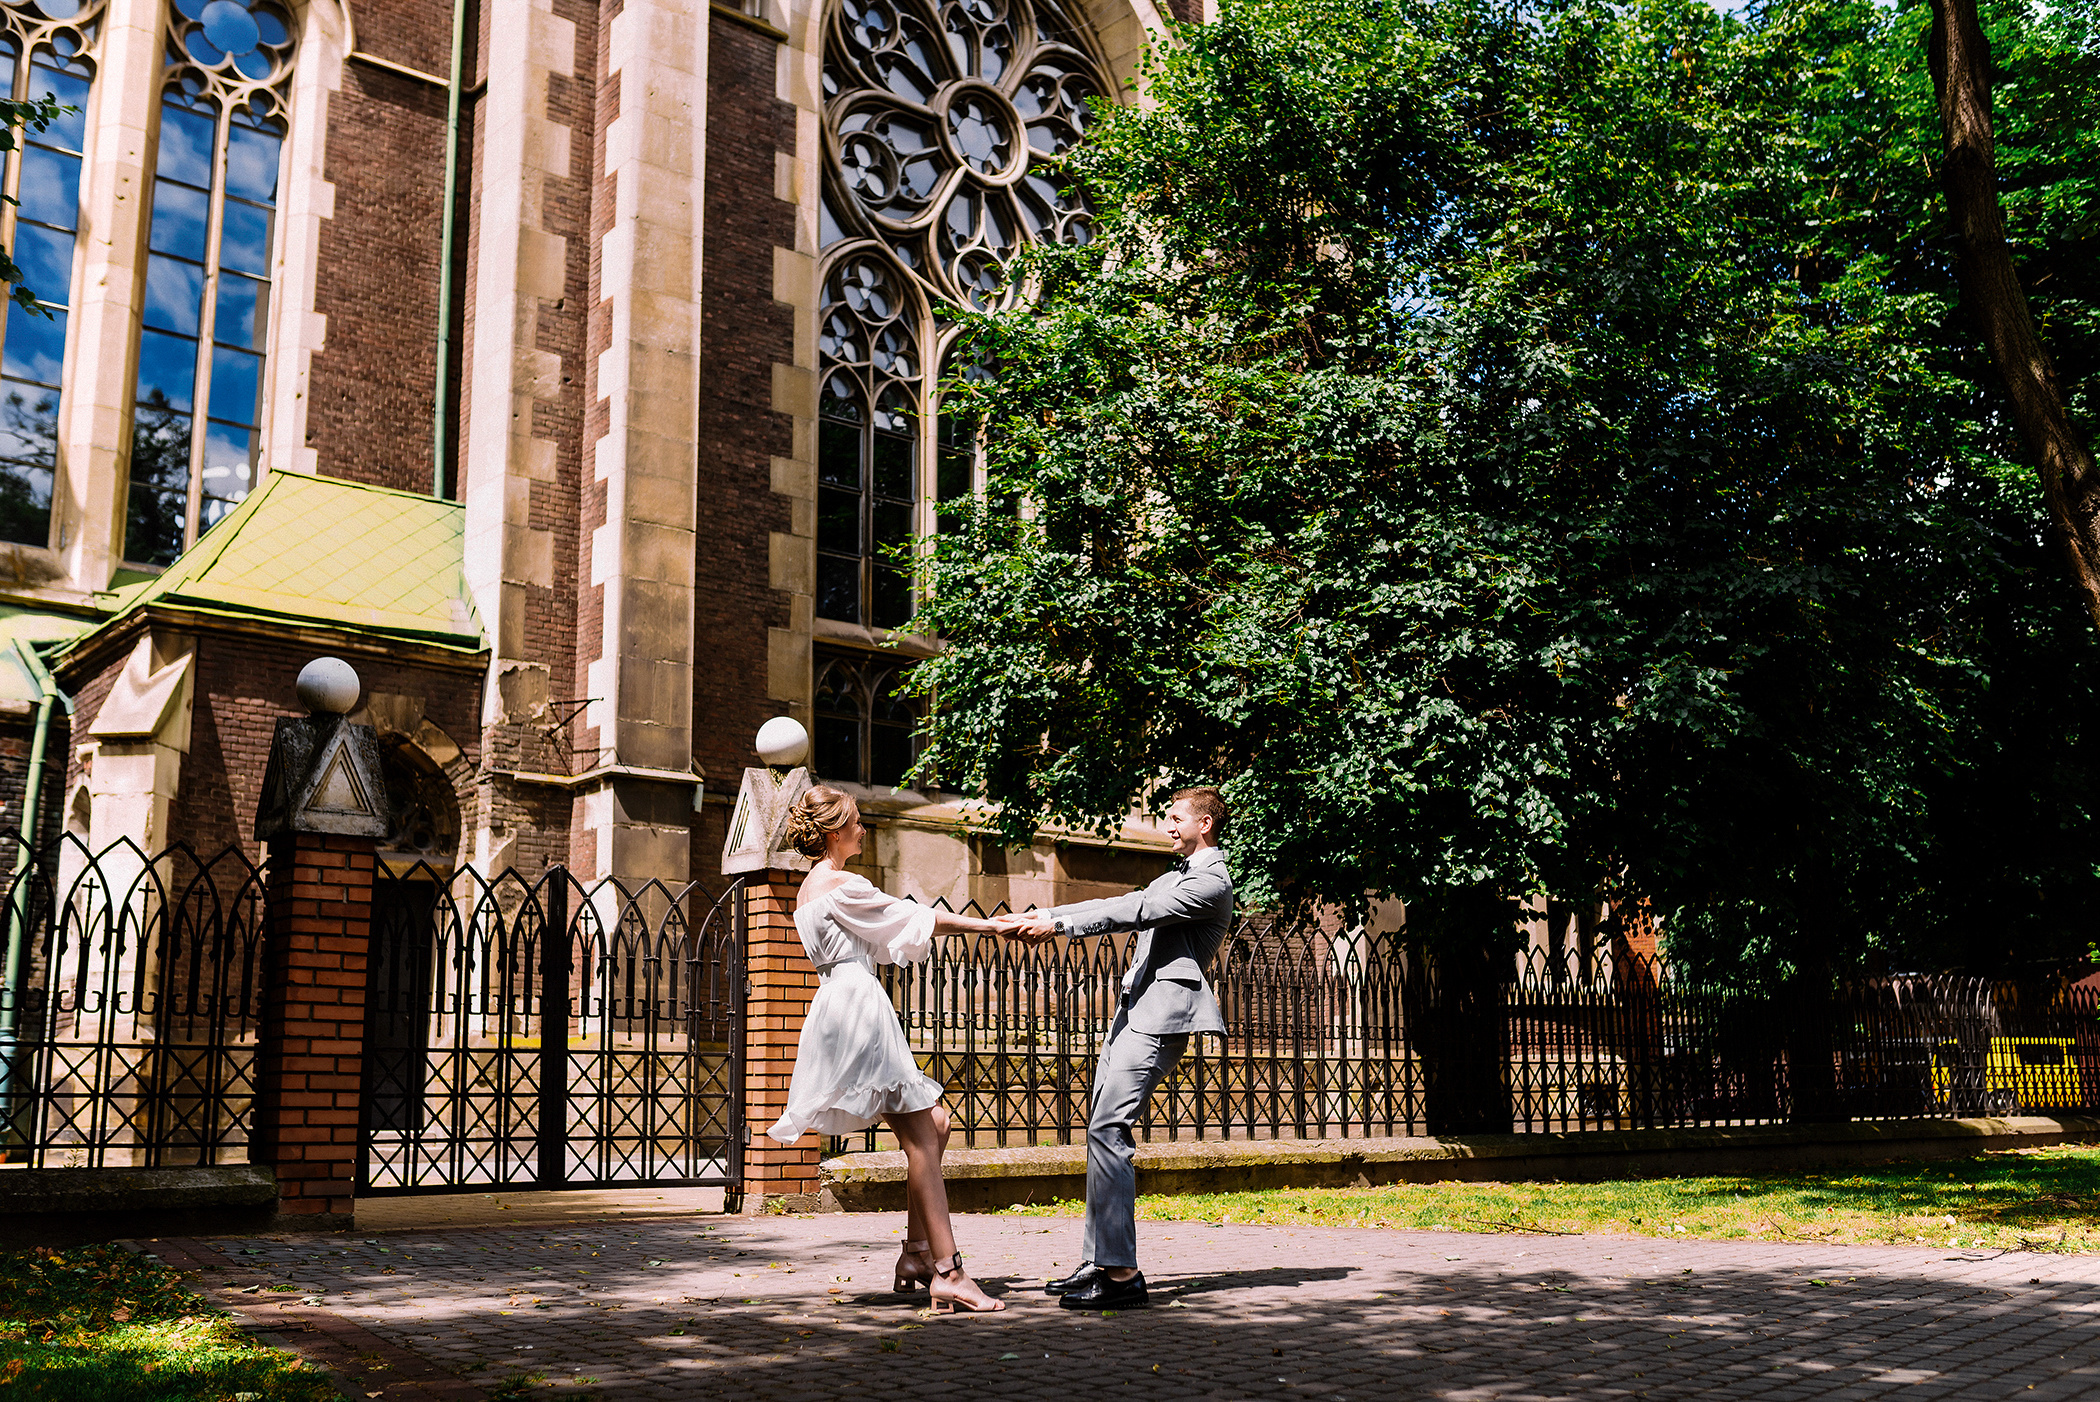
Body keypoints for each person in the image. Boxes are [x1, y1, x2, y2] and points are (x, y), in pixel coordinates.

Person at [766, 785, 1008, 1313]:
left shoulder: (809, 890)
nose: (863, 829)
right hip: (858, 1007)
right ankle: (949, 1271)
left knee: (935, 1125)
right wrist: (987, 925)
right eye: (854, 821)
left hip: (836, 1004)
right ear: (833, 832)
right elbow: (910, 917)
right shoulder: (842, 883)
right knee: (923, 1133)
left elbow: (883, 934)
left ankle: (918, 1254)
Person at [997, 787, 1234, 1310]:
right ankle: (1100, 1258)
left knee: (1109, 1128)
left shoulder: (1211, 881)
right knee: (1100, 1130)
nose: (1168, 826)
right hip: (1135, 1012)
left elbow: (1134, 908)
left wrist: (1057, 920)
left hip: (1160, 1019)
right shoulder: (1177, 874)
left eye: (1177, 818)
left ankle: (1122, 1276)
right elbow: (1127, 902)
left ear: (1206, 824)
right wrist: (1055, 915)